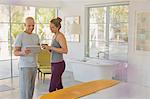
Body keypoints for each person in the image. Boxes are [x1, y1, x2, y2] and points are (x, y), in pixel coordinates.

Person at [14, 17, 40, 99]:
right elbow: (15, 52)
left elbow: (38, 49)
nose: (31, 27)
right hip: (25, 66)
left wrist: (40, 48)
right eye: (29, 25)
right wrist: (22, 52)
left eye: (33, 25)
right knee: (25, 89)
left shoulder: (36, 36)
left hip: (34, 65)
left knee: (31, 89)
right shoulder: (20, 36)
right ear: (24, 25)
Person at [42, 17, 68, 92]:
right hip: (54, 63)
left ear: (58, 27)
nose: (51, 29)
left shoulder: (60, 36)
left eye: (52, 27)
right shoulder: (54, 36)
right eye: (50, 27)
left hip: (59, 64)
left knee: (52, 88)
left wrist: (51, 47)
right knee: (59, 86)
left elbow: (65, 50)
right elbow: (55, 50)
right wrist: (48, 48)